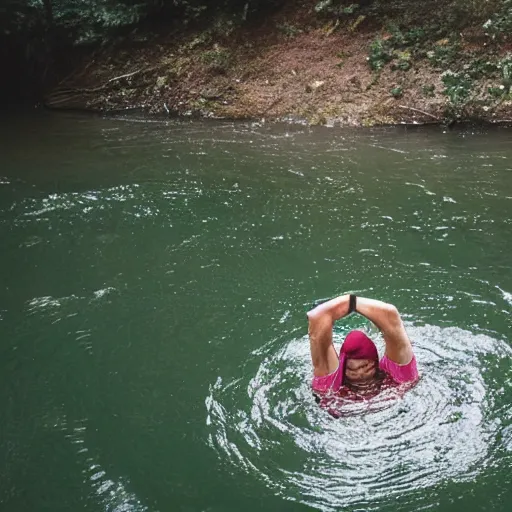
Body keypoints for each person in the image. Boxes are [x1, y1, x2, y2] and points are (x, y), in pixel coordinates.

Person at [307, 294, 419, 400]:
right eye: (352, 370)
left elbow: (318, 316)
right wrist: (354, 303)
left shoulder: (330, 388)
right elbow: (388, 315)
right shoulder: (399, 378)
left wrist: (350, 302)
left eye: (365, 367)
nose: (360, 375)